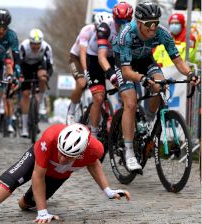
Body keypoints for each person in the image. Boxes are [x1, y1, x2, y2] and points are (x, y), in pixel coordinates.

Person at [0, 123, 130, 223]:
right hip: (35, 162)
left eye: (68, 157)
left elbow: (93, 164)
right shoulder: (50, 138)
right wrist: (42, 213)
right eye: (61, 152)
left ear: (81, 153)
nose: (61, 158)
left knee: (24, 205)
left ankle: (32, 203)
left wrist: (108, 191)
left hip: (57, 176)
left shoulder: (95, 150)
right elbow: (37, 176)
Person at [113, 2, 200, 171]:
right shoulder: (127, 35)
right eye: (148, 24)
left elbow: (178, 61)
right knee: (130, 102)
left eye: (156, 23)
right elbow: (126, 71)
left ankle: (149, 119)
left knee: (160, 85)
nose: (153, 28)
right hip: (125, 66)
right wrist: (142, 79)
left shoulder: (162, 33)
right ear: (138, 22)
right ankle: (129, 151)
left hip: (146, 61)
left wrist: (190, 74)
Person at [86, 2, 133, 138]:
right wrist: (111, 74)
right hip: (95, 58)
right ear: (114, 18)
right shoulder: (105, 27)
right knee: (99, 97)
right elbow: (101, 58)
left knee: (126, 91)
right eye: (119, 21)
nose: (123, 24)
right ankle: (93, 135)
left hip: (114, 57)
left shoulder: (132, 30)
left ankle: (118, 125)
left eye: (127, 21)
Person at [66, 12, 112, 125]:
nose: (100, 29)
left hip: (95, 59)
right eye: (98, 27)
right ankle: (71, 112)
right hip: (77, 58)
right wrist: (86, 71)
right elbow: (83, 53)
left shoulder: (108, 31)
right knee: (82, 83)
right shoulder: (87, 31)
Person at [19, 28, 53, 137]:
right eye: (33, 44)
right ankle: (24, 127)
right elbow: (18, 63)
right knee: (25, 94)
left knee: (42, 77)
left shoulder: (46, 47)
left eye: (38, 44)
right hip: (25, 67)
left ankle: (41, 101)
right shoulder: (23, 47)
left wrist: (46, 77)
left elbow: (50, 67)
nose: (35, 47)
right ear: (29, 42)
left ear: (41, 43)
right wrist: (19, 76)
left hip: (39, 65)